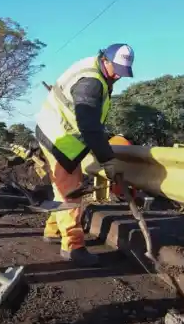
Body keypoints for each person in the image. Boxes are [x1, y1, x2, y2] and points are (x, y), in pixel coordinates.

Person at [35, 44, 135, 266]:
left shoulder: (95, 71)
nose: (118, 75)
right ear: (105, 59)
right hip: (58, 137)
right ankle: (73, 246)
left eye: (122, 71)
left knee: (60, 188)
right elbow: (89, 124)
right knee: (70, 193)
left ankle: (52, 231)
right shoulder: (90, 83)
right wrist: (107, 159)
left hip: (57, 132)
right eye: (116, 68)